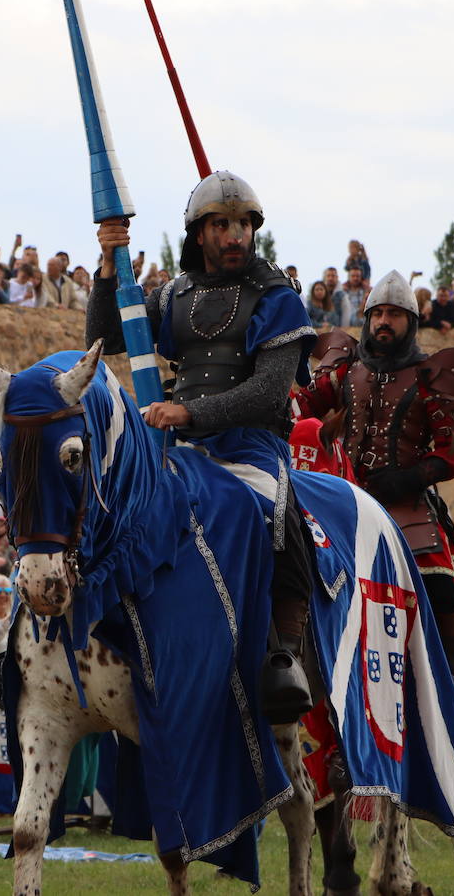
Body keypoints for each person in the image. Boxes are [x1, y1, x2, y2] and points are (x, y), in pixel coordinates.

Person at [87, 170, 319, 724]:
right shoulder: (176, 294)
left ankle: (283, 653)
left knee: (275, 513)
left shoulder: (277, 296)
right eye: (221, 224)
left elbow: (268, 392)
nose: (234, 235)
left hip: (249, 446)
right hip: (177, 445)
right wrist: (106, 268)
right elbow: (106, 336)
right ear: (199, 233)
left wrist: (189, 411)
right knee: (101, 502)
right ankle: (73, 629)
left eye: (243, 224)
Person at [291, 269, 454, 695]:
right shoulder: (345, 371)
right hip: (346, 502)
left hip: (407, 506)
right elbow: (300, 407)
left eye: (394, 314)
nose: (384, 321)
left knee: (438, 583)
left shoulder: (431, 377)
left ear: (410, 322)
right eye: (377, 313)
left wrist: (409, 478)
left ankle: (452, 688)